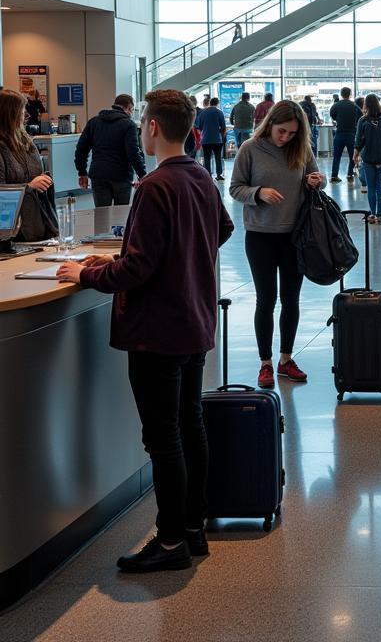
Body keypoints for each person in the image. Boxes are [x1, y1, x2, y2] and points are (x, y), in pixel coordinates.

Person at [57, 90, 233, 574]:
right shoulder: (199, 176)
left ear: (152, 127)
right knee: (189, 425)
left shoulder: (155, 186)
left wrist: (86, 274)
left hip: (158, 330)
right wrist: (138, 259)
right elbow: (220, 230)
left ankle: (172, 539)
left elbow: (138, 270)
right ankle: (193, 529)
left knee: (164, 437)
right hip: (194, 321)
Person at [230, 100, 323, 388]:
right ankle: (265, 363)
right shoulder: (250, 149)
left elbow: (319, 179)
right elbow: (235, 188)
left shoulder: (301, 149)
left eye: (292, 134)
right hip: (260, 235)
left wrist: (316, 181)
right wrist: (259, 193)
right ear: (270, 124)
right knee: (266, 299)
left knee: (291, 299)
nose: (286, 138)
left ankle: (286, 359)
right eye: (282, 131)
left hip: (295, 235)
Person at [0, 88, 55, 240]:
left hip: (35, 225)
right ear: (9, 113)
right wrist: (29, 187)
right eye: (22, 110)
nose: (25, 114)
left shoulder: (26, 142)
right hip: (10, 233)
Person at [74, 94, 147, 206]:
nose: (131, 114)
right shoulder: (129, 125)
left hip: (98, 175)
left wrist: (82, 172)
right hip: (121, 176)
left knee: (101, 216)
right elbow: (133, 152)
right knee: (120, 217)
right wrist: (142, 175)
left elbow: (81, 149)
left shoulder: (94, 122)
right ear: (127, 108)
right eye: (131, 110)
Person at [354, 94, 381, 223]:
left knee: (371, 187)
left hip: (368, 157)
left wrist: (355, 154)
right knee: (378, 186)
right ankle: (380, 214)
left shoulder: (363, 120)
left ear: (366, 105)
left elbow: (359, 140)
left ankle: (372, 214)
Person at [329, 87, 361, 182]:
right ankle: (350, 174)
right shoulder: (354, 106)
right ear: (350, 94)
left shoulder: (336, 105)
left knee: (337, 155)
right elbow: (360, 117)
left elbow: (332, 115)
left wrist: (338, 119)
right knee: (352, 155)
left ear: (341, 94)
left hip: (339, 133)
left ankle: (334, 176)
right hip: (351, 133)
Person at [194, 97, 227, 180]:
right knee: (218, 157)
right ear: (217, 103)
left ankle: (208, 175)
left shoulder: (202, 113)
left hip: (205, 139)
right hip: (217, 139)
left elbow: (199, 126)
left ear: (210, 103)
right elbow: (223, 127)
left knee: (207, 158)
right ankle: (219, 175)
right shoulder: (219, 112)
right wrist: (222, 137)